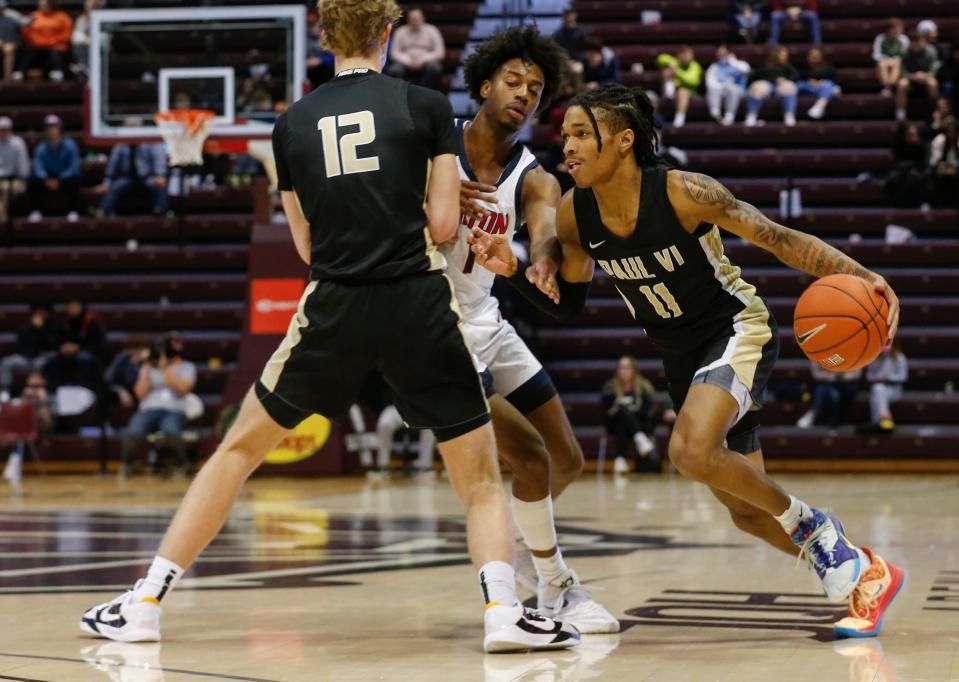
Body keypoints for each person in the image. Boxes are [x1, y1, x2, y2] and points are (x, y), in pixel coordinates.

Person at [79, 0, 578, 654]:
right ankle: (503, 613)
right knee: (479, 481)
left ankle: (144, 603)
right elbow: (442, 228)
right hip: (417, 303)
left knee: (235, 454)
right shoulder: (425, 106)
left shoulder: (289, 125)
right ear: (387, 34)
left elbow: (307, 247)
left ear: (321, 35)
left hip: (335, 302)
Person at [469, 82, 904, 639]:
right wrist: (513, 270)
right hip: (680, 356)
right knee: (746, 508)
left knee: (690, 449)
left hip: (735, 328)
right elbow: (569, 305)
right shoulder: (575, 214)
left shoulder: (682, 191)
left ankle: (818, 530)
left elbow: (775, 238)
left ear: (623, 141)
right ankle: (866, 572)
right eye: (564, 136)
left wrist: (863, 276)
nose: (567, 147)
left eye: (581, 134)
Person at [447, 27, 617, 634]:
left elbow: (544, 220)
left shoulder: (534, 174)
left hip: (490, 320)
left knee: (565, 460)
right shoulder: (438, 151)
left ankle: (505, 546)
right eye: (514, 82)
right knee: (533, 457)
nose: (524, 94)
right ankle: (554, 588)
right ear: (485, 84)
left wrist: (540, 255)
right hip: (440, 334)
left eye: (536, 89)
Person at [119, 334, 196, 476]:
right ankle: (127, 463)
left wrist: (165, 368)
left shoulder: (187, 366)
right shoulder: (147, 368)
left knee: (171, 430)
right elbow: (140, 394)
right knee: (134, 431)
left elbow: (183, 389)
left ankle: (184, 463)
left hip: (174, 409)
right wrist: (147, 366)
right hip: (149, 409)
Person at [601, 356, 657, 474]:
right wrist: (622, 410)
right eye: (621, 368)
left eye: (627, 367)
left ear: (634, 370)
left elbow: (646, 410)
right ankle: (640, 438)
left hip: (640, 423)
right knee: (621, 412)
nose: (624, 371)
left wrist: (626, 412)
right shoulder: (610, 387)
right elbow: (607, 409)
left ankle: (620, 459)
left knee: (623, 421)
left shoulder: (644, 386)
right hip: (614, 424)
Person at [28, 114, 81, 221]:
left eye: (54, 127)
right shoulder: (41, 148)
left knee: (75, 179)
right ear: (45, 130)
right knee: (33, 181)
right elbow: (38, 167)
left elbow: (74, 167)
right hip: (48, 177)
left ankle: (74, 211)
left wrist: (60, 179)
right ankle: (35, 211)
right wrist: (46, 178)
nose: (52, 130)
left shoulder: (70, 145)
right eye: (49, 127)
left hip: (64, 176)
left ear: (60, 129)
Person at [96, 142, 168, 217]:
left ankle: (160, 212)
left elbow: (159, 160)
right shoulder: (121, 145)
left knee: (159, 186)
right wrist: (106, 183)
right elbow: (112, 167)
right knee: (115, 187)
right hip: (127, 178)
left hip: (147, 177)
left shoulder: (150, 143)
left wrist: (160, 175)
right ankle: (103, 210)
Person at [0, 303, 58, 391]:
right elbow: (19, 347)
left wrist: (40, 329)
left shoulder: (51, 328)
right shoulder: (25, 328)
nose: (39, 317)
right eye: (37, 314)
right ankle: (5, 390)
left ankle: (42, 390)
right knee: (6, 363)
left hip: (41, 358)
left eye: (42, 315)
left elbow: (50, 346)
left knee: (43, 362)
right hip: (24, 358)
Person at [12, 0, 72, 82]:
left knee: (56, 52)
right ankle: (20, 72)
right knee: (28, 51)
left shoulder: (62, 17)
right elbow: (27, 32)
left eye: (44, 5)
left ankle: (59, 72)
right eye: (40, 5)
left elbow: (66, 33)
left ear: (51, 5)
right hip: (37, 45)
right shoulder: (34, 16)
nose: (42, 7)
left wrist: (51, 41)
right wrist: (39, 42)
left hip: (55, 45)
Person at [387, 8, 444, 91]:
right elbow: (394, 53)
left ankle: (425, 93)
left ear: (423, 18)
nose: (414, 21)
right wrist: (408, 61)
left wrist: (422, 60)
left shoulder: (432, 30)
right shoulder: (400, 31)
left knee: (435, 68)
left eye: (417, 18)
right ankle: (403, 94)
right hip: (405, 62)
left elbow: (440, 52)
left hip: (426, 61)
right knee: (395, 70)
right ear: (408, 19)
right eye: (412, 18)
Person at [796, 362, 861, 429]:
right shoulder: (819, 354)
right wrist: (832, 375)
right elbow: (816, 374)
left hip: (847, 384)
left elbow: (857, 374)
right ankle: (830, 420)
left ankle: (813, 412)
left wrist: (842, 376)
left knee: (825, 390)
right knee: (831, 393)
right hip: (828, 383)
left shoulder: (853, 353)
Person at [745, 46, 799, 127]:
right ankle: (752, 115)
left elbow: (796, 76)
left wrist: (785, 79)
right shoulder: (766, 65)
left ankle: (789, 115)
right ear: (775, 55)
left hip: (782, 88)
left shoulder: (787, 66)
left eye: (785, 55)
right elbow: (754, 77)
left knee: (789, 86)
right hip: (766, 86)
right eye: (782, 55)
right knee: (758, 86)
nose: (784, 57)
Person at [895, 31, 940, 122]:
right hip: (910, 79)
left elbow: (935, 67)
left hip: (926, 78)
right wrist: (912, 76)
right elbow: (901, 71)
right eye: (913, 43)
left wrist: (926, 75)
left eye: (918, 42)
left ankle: (934, 112)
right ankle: (900, 114)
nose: (915, 45)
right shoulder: (904, 51)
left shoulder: (930, 51)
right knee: (902, 84)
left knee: (933, 83)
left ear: (923, 42)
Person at [656, 45, 703, 128]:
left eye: (687, 54)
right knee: (666, 70)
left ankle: (679, 118)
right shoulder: (676, 62)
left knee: (682, 91)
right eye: (683, 54)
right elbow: (660, 59)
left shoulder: (696, 66)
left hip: (690, 93)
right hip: (674, 92)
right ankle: (668, 93)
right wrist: (670, 62)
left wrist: (676, 72)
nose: (685, 56)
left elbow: (692, 81)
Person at [865, 344, 908, 432]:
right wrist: (878, 377)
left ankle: (876, 422)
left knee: (877, 392)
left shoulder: (900, 357)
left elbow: (903, 376)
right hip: (878, 386)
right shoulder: (874, 357)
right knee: (878, 389)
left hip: (894, 389)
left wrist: (889, 377)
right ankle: (885, 416)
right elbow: (869, 376)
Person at [705, 45, 750, 125]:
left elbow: (746, 70)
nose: (722, 56)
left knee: (733, 89)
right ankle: (715, 113)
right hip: (721, 91)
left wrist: (732, 61)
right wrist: (723, 87)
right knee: (712, 90)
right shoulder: (714, 67)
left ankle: (729, 116)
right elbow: (710, 83)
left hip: (738, 91)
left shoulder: (738, 64)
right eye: (720, 54)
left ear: (729, 53)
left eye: (724, 53)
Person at [0, 116, 30, 224]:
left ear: (10, 130)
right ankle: (4, 216)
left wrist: (21, 180)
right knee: (4, 187)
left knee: (9, 188)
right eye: (1, 130)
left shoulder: (18, 143)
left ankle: (5, 216)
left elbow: (23, 167)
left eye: (5, 129)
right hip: (1, 178)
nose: (3, 132)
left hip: (15, 178)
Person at [798, 47, 838, 120]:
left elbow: (836, 78)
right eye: (812, 55)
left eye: (816, 56)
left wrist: (820, 81)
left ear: (820, 57)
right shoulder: (804, 67)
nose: (814, 57)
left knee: (828, 84)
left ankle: (819, 106)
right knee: (797, 85)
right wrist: (809, 81)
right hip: (808, 86)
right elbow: (799, 77)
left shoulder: (827, 68)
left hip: (822, 86)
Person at [872, 18, 909, 98]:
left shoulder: (903, 39)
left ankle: (889, 87)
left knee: (896, 63)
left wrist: (895, 59)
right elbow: (876, 54)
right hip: (884, 62)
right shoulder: (880, 38)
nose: (899, 30)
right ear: (889, 29)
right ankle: (887, 87)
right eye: (896, 28)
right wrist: (885, 59)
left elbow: (906, 55)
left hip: (899, 63)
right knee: (882, 65)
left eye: (900, 28)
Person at [929, 115, 958, 205]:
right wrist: (945, 168)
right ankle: (936, 204)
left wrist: (954, 168)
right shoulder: (939, 140)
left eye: (954, 132)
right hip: (940, 169)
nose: (951, 135)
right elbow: (933, 161)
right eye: (949, 132)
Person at [0, 1, 29, 81]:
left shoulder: (12, 15)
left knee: (9, 50)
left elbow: (25, 23)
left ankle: (7, 77)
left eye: (1, 7)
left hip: (11, 41)